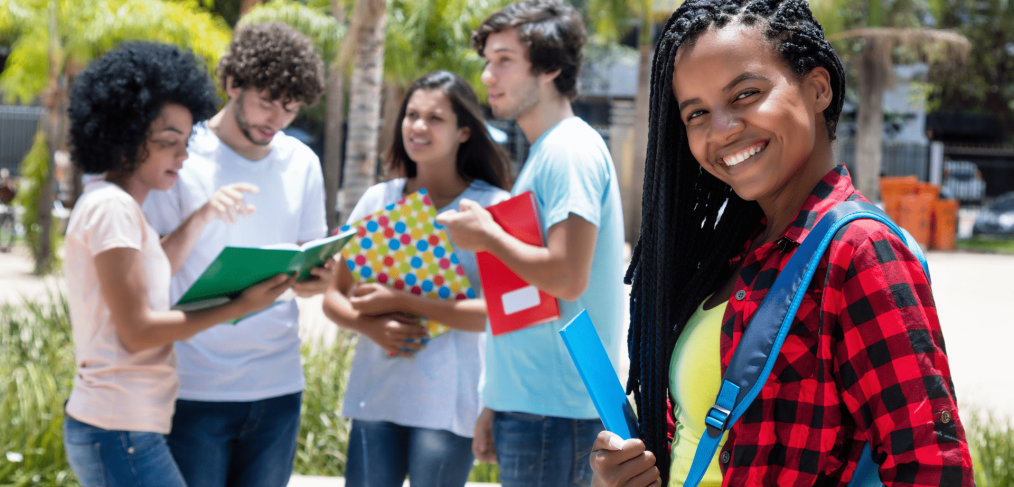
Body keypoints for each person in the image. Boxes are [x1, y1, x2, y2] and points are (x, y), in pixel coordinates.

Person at [589, 1, 975, 486]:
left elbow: (932, 469)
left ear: (817, 88)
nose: (722, 128)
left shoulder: (859, 252)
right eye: (697, 113)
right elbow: (707, 435)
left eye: (746, 94)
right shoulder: (731, 254)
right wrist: (632, 471)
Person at [62, 42, 293, 487]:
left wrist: (203, 215)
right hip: (118, 426)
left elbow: (155, 269)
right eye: (168, 144)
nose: (183, 157)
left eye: (186, 143)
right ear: (124, 138)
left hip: (122, 425)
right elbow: (139, 330)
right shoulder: (112, 210)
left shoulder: (118, 207)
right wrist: (237, 306)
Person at [436, 2, 626, 485]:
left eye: (504, 59)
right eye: (487, 60)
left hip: (554, 414)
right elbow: (527, 298)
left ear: (550, 68)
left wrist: (486, 235)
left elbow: (566, 276)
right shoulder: (551, 150)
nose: (487, 75)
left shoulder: (567, 151)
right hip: (533, 408)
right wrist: (495, 400)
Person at [141, 22, 327, 487]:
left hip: (279, 386)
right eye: (267, 102)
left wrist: (316, 277)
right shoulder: (182, 154)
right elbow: (151, 268)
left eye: (290, 108)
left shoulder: (302, 162)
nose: (277, 119)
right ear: (232, 83)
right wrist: (202, 216)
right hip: (195, 386)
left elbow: (308, 256)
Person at [321, 70, 512, 487]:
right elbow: (333, 297)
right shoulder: (378, 199)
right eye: (412, 115)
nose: (419, 126)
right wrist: (369, 327)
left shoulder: (490, 207)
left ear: (465, 132)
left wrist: (400, 300)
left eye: (435, 118)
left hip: (447, 406)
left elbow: (494, 315)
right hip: (375, 396)